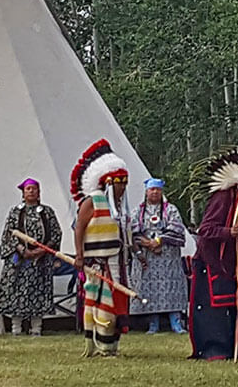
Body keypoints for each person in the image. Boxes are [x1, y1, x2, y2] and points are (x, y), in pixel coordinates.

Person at [188, 145, 238, 361]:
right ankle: (215, 347)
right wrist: (228, 232)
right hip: (212, 261)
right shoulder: (222, 199)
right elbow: (205, 230)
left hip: (236, 262)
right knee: (217, 307)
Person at [71, 139, 131, 357]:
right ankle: (98, 345)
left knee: (116, 302)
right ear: (107, 183)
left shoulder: (122, 205)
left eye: (125, 182)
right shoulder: (93, 200)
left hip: (116, 261)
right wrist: (79, 255)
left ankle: (111, 344)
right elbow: (79, 228)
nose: (123, 187)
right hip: (96, 262)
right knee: (98, 302)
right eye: (118, 182)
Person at [0, 178, 62, 337]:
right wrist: (21, 250)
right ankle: (16, 328)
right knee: (16, 292)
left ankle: (36, 328)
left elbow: (56, 233)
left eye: (34, 189)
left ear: (39, 192)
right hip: (19, 259)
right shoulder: (15, 212)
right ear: (23, 193)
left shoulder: (47, 212)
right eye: (28, 189)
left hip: (41, 259)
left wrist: (41, 251)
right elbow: (8, 234)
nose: (31, 191)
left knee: (38, 291)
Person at [129, 177, 187, 334]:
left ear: (162, 192)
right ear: (146, 192)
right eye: (152, 189)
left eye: (158, 190)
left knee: (170, 287)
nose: (155, 192)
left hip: (167, 256)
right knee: (150, 289)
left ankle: (176, 322)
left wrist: (159, 241)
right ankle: (153, 323)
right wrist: (149, 244)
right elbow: (132, 234)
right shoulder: (138, 212)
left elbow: (177, 229)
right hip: (148, 257)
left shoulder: (171, 210)